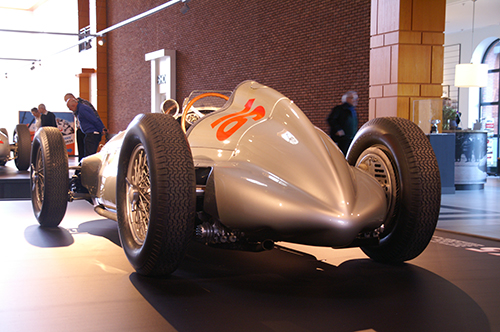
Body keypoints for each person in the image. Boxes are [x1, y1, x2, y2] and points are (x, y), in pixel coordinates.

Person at [64, 93, 106, 161]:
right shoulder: (79, 109)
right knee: (85, 153)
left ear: (73, 104)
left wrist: (101, 129)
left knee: (89, 155)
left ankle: (89, 170)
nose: (70, 110)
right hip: (88, 133)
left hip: (92, 134)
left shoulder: (82, 108)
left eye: (70, 108)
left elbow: (94, 119)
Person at [327, 91, 359, 155]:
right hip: (342, 138)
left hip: (351, 138)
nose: (356, 100)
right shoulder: (339, 109)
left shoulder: (353, 110)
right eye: (353, 98)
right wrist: (338, 129)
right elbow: (331, 119)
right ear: (347, 99)